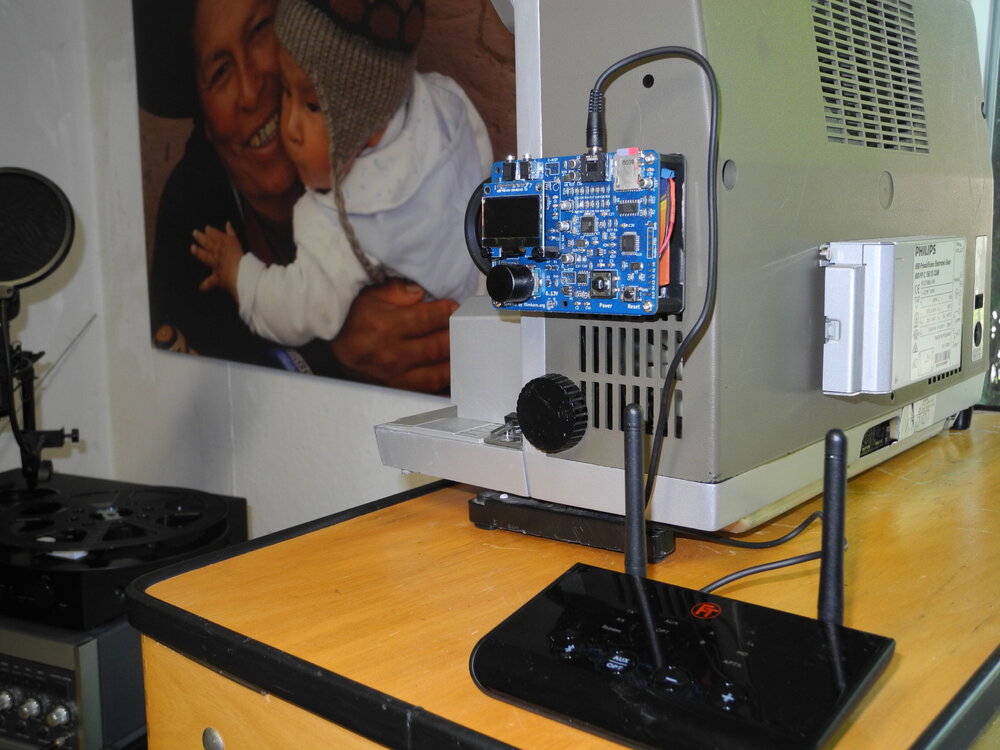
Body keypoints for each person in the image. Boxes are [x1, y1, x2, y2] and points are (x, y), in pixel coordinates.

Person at [133, 0, 466, 392]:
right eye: (220, 72)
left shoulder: (397, 140)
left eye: (260, 31)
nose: (251, 91)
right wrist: (334, 349)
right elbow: (195, 389)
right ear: (203, 117)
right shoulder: (194, 213)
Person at [190, 0, 489, 348]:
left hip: (450, 348)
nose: (290, 127)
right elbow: (483, 170)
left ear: (369, 124)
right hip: (488, 295)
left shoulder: (339, 225)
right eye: (286, 91)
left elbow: (294, 309)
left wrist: (239, 275)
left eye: (312, 106)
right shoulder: (445, 103)